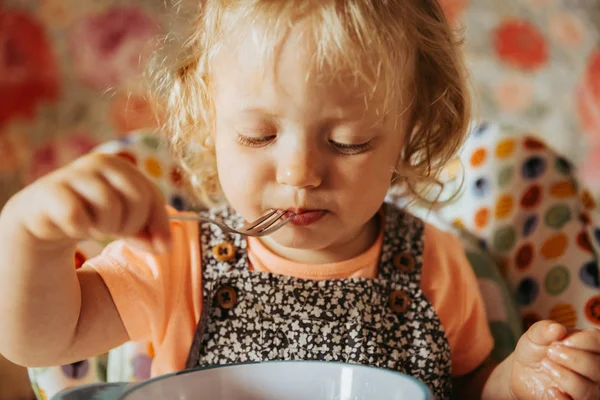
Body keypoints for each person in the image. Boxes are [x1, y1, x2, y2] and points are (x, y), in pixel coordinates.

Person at [0, 1, 598, 399]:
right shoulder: (174, 260)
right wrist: (30, 237)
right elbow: (40, 341)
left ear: (408, 134)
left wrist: (517, 381)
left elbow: (462, 390)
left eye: (349, 142)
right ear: (207, 118)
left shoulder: (435, 265)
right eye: (258, 135)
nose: (300, 173)